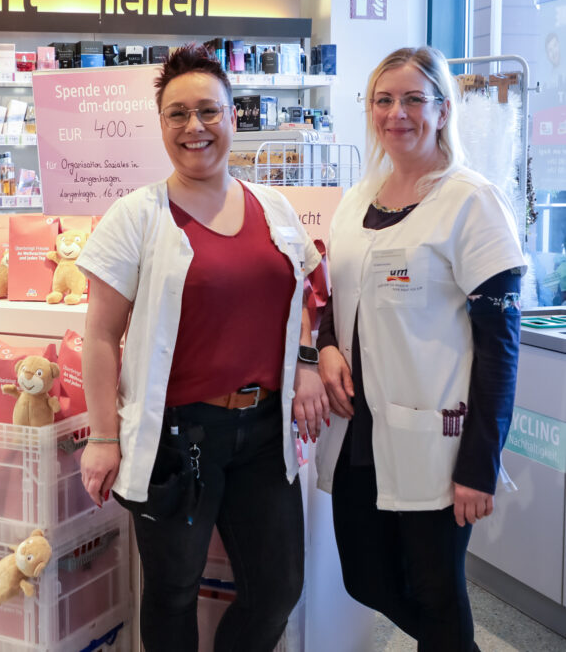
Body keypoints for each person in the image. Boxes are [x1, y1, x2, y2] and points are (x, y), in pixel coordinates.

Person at [77, 43, 328, 652]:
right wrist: (104, 436)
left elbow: (305, 292)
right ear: (161, 124)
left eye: (209, 111)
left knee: (278, 589)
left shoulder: (273, 207)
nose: (195, 126)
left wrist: (307, 361)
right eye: (178, 114)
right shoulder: (136, 216)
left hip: (265, 432)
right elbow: (102, 335)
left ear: (232, 116)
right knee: (173, 592)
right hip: (177, 438)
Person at [315, 46, 525, 652]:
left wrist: (479, 465)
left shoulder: (471, 201)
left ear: (442, 110)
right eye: (384, 100)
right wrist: (326, 347)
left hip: (437, 439)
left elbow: (500, 349)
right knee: (365, 579)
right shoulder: (357, 200)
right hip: (358, 435)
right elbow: (338, 297)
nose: (396, 113)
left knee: (437, 593)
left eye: (413, 99)